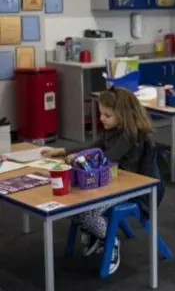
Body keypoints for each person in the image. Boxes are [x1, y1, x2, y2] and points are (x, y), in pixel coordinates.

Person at [41, 87, 164, 275]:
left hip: (133, 190)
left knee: (87, 212)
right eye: (101, 114)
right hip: (112, 183)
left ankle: (110, 241)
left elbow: (106, 157)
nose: (102, 119)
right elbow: (93, 146)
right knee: (71, 205)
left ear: (123, 115)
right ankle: (95, 234)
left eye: (107, 115)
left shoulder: (131, 134)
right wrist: (63, 151)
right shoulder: (113, 130)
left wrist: (79, 159)